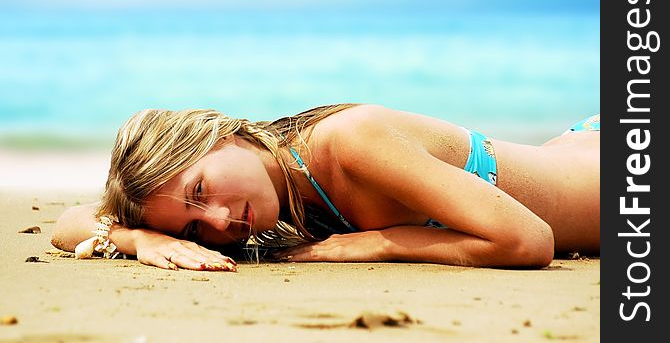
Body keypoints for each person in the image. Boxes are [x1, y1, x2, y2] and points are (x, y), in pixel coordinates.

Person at [51, 104, 600, 271]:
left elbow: (530, 241)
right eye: (194, 227)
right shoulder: (287, 190)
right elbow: (67, 222)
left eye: (201, 190)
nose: (219, 223)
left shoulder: (348, 142)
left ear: (223, 135)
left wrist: (383, 243)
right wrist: (140, 239)